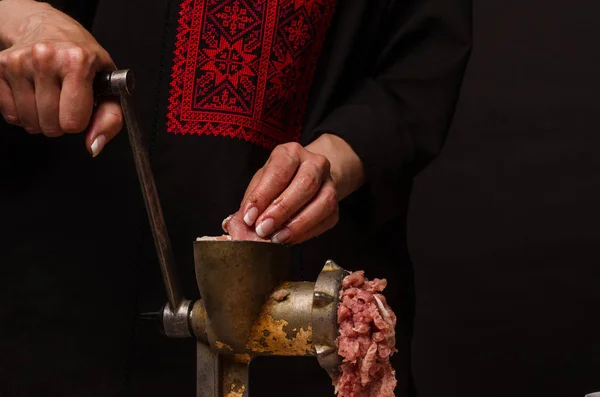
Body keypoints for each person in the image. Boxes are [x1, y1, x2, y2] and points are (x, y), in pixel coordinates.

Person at [0, 0, 470, 396]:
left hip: (295, 286)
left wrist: (329, 162)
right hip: (51, 279)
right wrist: (28, 21)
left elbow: (420, 60)